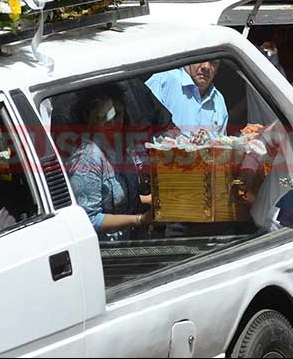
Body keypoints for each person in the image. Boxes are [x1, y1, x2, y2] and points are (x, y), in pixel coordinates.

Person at [67, 85, 152, 241]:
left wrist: (151, 200)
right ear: (89, 117)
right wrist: (140, 220)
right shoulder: (87, 158)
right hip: (106, 253)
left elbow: (123, 200)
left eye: (117, 114)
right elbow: (89, 220)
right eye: (105, 115)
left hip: (133, 244)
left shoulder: (123, 148)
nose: (113, 122)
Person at [146, 60, 229, 136]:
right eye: (201, 59)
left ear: (217, 68)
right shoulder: (164, 81)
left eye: (213, 62)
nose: (206, 67)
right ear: (190, 59)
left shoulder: (218, 100)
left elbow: (221, 146)